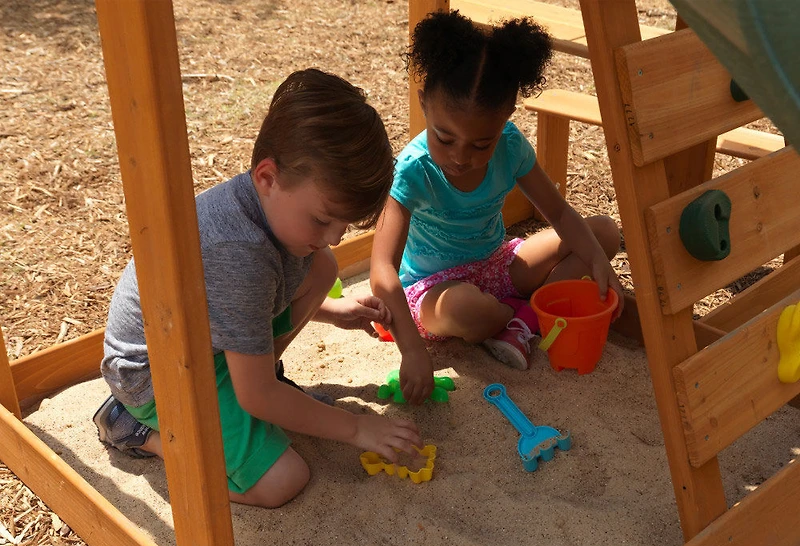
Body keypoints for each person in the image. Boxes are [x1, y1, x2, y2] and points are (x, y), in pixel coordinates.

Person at [94, 69, 421, 508]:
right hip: (157, 376)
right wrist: (357, 428)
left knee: (322, 267)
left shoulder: (271, 206)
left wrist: (330, 310)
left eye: (344, 224)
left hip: (205, 343)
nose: (335, 236)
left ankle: (255, 382)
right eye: (323, 219)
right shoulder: (238, 252)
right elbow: (256, 386)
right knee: (282, 481)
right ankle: (135, 430)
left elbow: (242, 305)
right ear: (267, 177)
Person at [370, 10, 624, 404]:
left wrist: (599, 264)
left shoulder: (510, 145)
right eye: (444, 138)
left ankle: (522, 319)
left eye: (481, 144)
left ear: (505, 119)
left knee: (603, 234)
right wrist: (412, 350)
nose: (460, 157)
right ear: (424, 104)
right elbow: (382, 268)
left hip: (497, 264)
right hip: (435, 289)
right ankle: (517, 317)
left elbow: (559, 213)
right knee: (466, 309)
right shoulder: (414, 170)